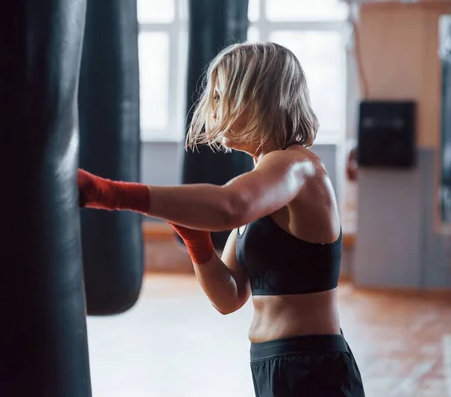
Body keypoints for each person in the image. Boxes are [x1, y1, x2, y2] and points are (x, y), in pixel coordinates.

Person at [78, 42, 365, 396]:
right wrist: (197, 244)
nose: (213, 110)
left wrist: (111, 193)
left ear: (258, 96)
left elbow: (229, 205)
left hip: (312, 367)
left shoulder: (298, 166)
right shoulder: (263, 185)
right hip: (271, 363)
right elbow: (229, 297)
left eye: (221, 96)